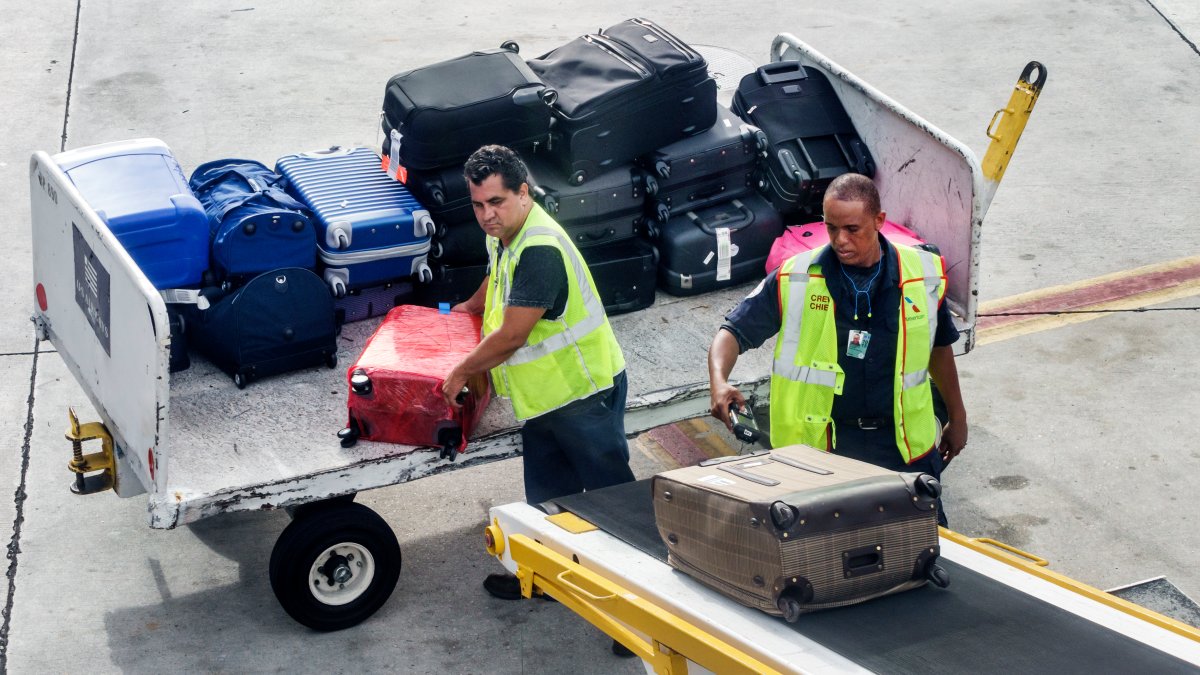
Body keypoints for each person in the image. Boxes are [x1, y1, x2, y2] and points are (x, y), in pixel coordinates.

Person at [708, 173, 967, 525]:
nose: (840, 240)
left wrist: (958, 415)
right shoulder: (796, 277)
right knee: (836, 559)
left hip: (903, 449)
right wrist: (719, 380)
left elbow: (939, 347)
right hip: (826, 453)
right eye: (831, 228)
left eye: (852, 229)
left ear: (879, 221)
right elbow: (732, 332)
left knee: (925, 546)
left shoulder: (922, 275)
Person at [440, 145, 636, 608]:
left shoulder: (540, 249)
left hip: (584, 396)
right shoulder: (507, 233)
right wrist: (468, 308)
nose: (487, 215)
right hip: (546, 399)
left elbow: (511, 335)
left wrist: (462, 370)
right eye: (478, 205)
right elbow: (498, 274)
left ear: (523, 193)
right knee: (549, 501)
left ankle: (634, 608)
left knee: (616, 507)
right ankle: (550, 581)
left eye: (496, 203)